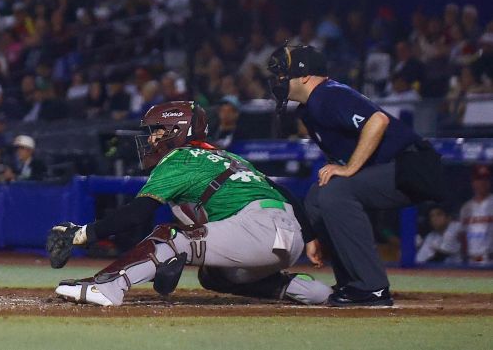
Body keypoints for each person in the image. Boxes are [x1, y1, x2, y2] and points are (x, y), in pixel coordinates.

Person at [47, 101, 332, 307]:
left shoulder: (179, 158)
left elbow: (137, 214)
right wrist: (308, 237)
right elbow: (283, 190)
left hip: (255, 230)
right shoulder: (227, 156)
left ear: (176, 130)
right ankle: (310, 291)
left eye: (157, 130)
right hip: (285, 236)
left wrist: (83, 233)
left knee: (170, 236)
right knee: (214, 276)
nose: (151, 138)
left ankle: (108, 286)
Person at [267, 44, 444, 306]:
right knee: (318, 195)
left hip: (413, 164)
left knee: (335, 191)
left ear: (304, 75)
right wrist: (314, 236)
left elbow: (377, 121)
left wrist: (349, 169)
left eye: (283, 74)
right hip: (392, 166)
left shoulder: (327, 94)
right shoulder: (311, 106)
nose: (279, 81)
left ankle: (372, 287)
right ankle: (352, 282)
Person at [459, 165, 493, 266]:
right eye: (478, 179)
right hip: (471, 261)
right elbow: (463, 235)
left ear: (490, 182)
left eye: (485, 179)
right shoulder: (466, 208)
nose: (482, 183)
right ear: (473, 182)